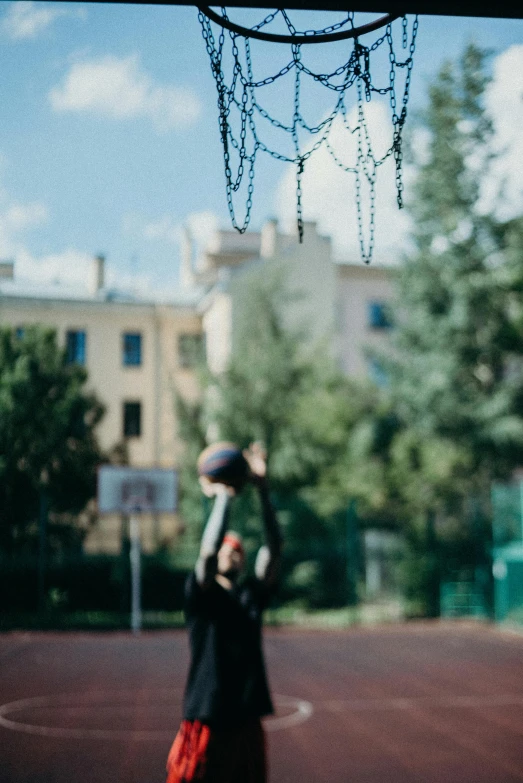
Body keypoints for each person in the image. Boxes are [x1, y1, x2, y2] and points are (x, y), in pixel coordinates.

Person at [166, 443, 282, 783]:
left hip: (246, 718)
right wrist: (224, 496)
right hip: (208, 716)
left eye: (237, 550)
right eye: (225, 548)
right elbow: (206, 551)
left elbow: (275, 548)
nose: (230, 552)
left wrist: (262, 490)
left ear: (243, 561)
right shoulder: (201, 595)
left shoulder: (250, 596)